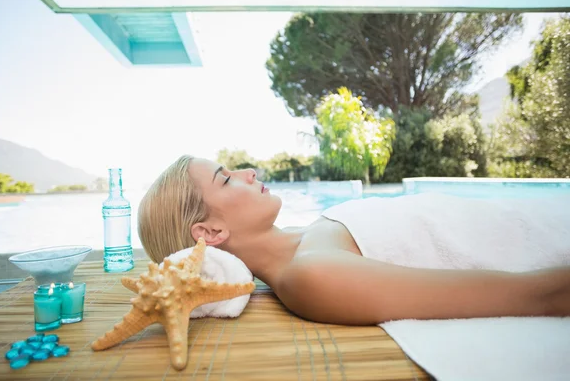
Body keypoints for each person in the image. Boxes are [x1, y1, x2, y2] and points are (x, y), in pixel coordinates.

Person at [137, 155, 570, 325]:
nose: (249, 172)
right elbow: (538, 296)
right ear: (211, 233)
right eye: (226, 178)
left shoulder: (303, 239)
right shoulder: (312, 275)